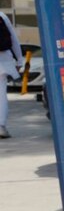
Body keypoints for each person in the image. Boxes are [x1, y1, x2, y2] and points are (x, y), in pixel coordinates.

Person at [0, 11, 24, 139]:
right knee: (1, 94)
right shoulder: (2, 15)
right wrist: (19, 60)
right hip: (3, 58)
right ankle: (1, 126)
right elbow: (14, 39)